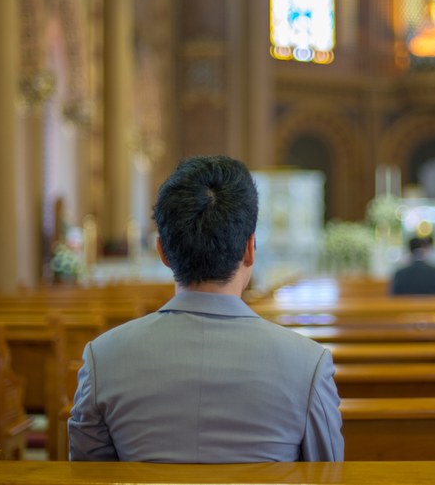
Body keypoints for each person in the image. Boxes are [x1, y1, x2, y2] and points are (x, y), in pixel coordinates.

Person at [69, 155, 344, 462]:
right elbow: (327, 476)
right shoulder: (308, 365)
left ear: (163, 251)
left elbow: (87, 476)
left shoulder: (102, 359)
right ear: (250, 248)